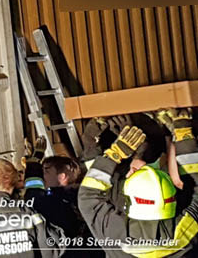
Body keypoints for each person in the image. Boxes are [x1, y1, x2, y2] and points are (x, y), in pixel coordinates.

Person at [78, 109, 198, 257]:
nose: (132, 171)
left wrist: (183, 132)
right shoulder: (187, 229)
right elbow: (89, 197)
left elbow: (89, 196)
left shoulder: (115, 233)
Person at [23, 138, 102, 257]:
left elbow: (33, 196)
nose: (41, 175)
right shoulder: (87, 195)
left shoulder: (56, 200)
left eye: (46, 171)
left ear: (62, 177)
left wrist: (33, 165)